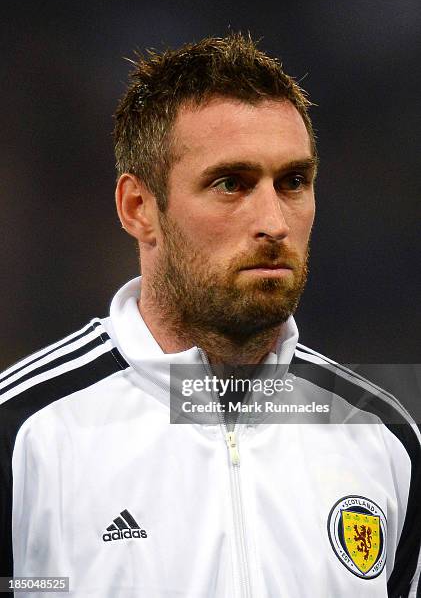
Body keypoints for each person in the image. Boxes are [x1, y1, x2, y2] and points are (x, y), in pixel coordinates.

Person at [0, 33, 419, 598]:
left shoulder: (382, 435)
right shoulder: (25, 434)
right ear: (138, 208)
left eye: (293, 182)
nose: (274, 221)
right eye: (231, 184)